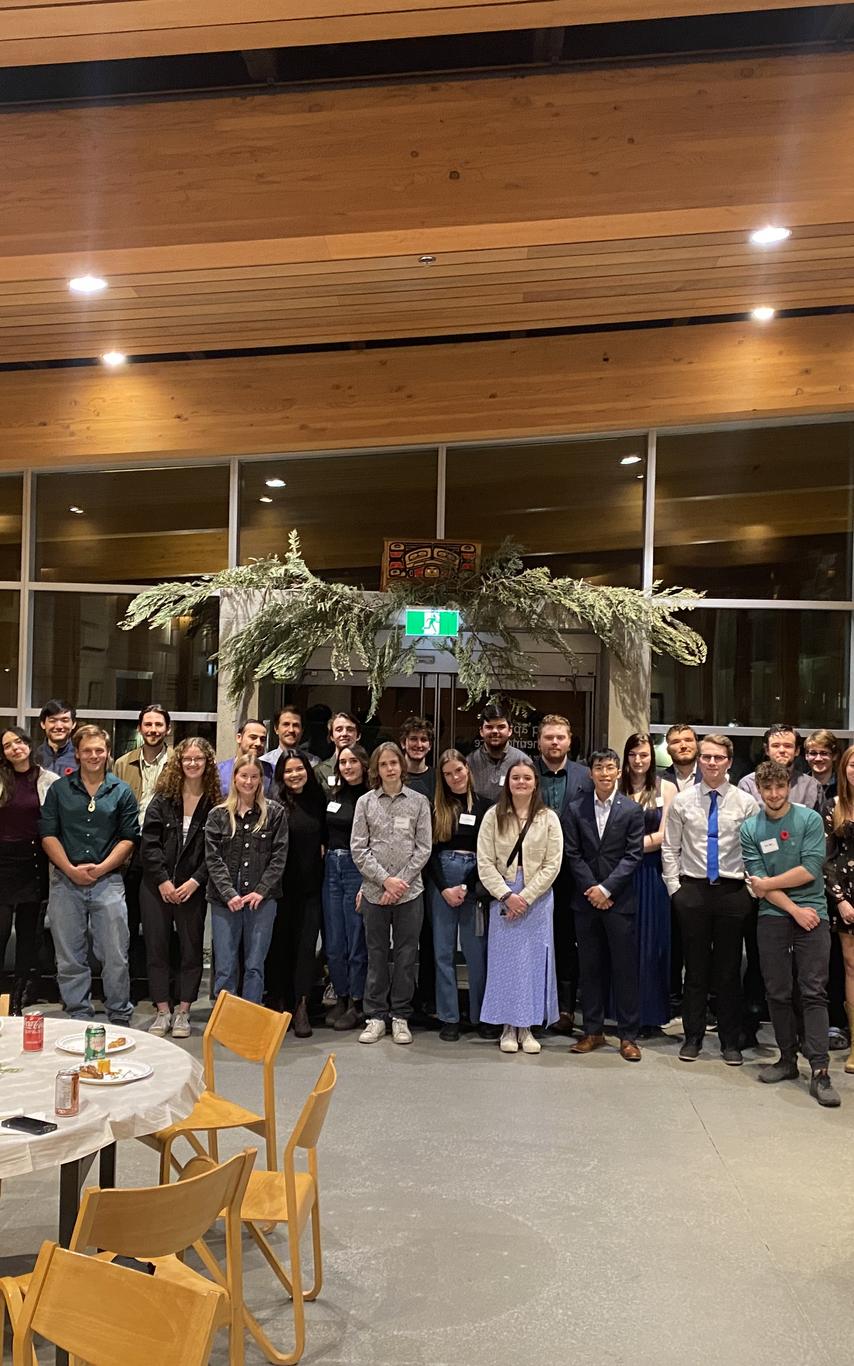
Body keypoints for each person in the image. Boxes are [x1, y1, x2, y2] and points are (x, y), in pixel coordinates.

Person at [741, 760, 839, 1106]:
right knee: (777, 992)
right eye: (767, 788)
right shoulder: (750, 828)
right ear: (759, 790)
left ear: (788, 787)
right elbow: (760, 887)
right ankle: (786, 1059)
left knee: (813, 992)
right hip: (776, 916)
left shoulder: (809, 819)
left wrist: (768, 884)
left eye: (780, 787)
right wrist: (793, 909)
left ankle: (820, 1070)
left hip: (815, 914)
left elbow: (810, 870)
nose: (774, 794)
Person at [662, 733, 759, 1065]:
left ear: (729, 762)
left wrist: (748, 890)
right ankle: (693, 1037)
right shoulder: (683, 801)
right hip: (694, 892)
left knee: (730, 971)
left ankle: (731, 1041)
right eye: (707, 757)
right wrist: (676, 889)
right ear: (699, 760)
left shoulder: (746, 803)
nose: (712, 763)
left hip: (733, 893)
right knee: (696, 969)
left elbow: (754, 850)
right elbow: (670, 847)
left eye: (719, 758)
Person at [40, 725, 138, 1024]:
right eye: (87, 750)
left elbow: (129, 837)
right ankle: (78, 1014)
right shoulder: (60, 789)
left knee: (115, 955)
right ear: (78, 753)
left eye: (99, 750)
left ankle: (120, 1014)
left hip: (108, 882)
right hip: (65, 882)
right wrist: (70, 869)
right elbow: (47, 834)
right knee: (69, 957)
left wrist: (102, 868)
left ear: (107, 753)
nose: (93, 755)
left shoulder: (121, 791)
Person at [477, 757, 563, 1054]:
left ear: (535, 782)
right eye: (516, 778)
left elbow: (553, 864)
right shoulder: (493, 816)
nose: (522, 783)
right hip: (503, 894)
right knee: (505, 964)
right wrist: (506, 895)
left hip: (536, 898)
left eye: (527, 778)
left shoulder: (548, 818)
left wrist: (525, 897)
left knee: (532, 962)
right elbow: (485, 862)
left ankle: (526, 1026)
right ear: (507, 782)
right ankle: (507, 1027)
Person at [564, 749, 645, 1061]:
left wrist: (608, 888)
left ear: (619, 772)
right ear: (591, 773)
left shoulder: (632, 810)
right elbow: (573, 854)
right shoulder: (575, 808)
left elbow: (633, 855)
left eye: (611, 768)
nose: (605, 773)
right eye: (599, 768)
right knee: (590, 968)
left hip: (620, 901)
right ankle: (592, 1031)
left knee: (624, 969)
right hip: (586, 902)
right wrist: (592, 889)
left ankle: (628, 1036)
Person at [351, 741, 432, 1044]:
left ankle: (400, 1015)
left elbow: (423, 849)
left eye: (394, 763)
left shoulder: (419, 801)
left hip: (410, 892)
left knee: (406, 954)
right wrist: (385, 881)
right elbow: (358, 849)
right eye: (383, 764)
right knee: (375, 954)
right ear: (376, 769)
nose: (389, 769)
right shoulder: (365, 802)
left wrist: (400, 884)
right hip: (374, 892)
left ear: (402, 766)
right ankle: (375, 1016)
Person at [140, 737, 221, 1038]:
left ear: (207, 763)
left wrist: (194, 881)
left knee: (191, 949)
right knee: (157, 948)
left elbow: (216, 851)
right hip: (155, 887)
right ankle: (162, 1010)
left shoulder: (216, 805)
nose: (192, 763)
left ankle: (184, 1011)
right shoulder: (162, 800)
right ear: (179, 762)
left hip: (193, 888)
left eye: (198, 759)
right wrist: (162, 880)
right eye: (187, 758)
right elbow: (149, 845)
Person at [205, 756, 288, 1005]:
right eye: (244, 776)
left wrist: (261, 891)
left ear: (261, 780)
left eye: (254, 777)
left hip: (261, 900)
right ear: (234, 778)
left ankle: (249, 1022)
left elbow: (279, 856)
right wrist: (229, 893)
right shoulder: (218, 814)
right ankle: (224, 1021)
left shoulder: (274, 813)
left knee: (254, 965)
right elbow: (213, 858)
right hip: (224, 899)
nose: (249, 781)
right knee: (225, 965)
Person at [533, 713, 593, 1034]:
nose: (554, 742)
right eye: (548, 737)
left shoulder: (586, 776)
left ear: (570, 740)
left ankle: (566, 1008)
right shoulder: (526, 773)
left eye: (560, 737)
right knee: (537, 939)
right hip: (534, 873)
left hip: (574, 873)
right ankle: (534, 1003)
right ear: (539, 741)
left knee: (569, 939)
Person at [429, 749, 490, 1041]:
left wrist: (466, 885)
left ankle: (479, 1015)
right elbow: (429, 853)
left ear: (468, 769)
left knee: (475, 952)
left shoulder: (486, 807)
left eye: (459, 770)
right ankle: (449, 1016)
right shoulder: (437, 808)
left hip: (473, 881)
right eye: (448, 774)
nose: (455, 778)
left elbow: (490, 853)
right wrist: (444, 888)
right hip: (442, 881)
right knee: (442, 953)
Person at [619, 732, 677, 1035]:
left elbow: (666, 834)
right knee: (623, 946)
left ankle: (650, 1015)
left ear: (652, 758)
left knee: (652, 945)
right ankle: (621, 1014)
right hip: (619, 876)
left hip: (651, 875)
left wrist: (629, 845)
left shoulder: (666, 788)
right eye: (633, 755)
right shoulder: (616, 787)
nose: (638, 760)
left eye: (644, 755)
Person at [268, 750, 327, 1037]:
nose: (294, 775)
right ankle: (279, 1004)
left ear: (307, 770)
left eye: (299, 769)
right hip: (279, 890)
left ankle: (301, 1004)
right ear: (281, 775)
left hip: (311, 888)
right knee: (280, 947)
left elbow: (326, 840)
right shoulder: (274, 803)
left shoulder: (318, 800)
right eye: (288, 771)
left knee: (305, 948)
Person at [0, 727, 59, 1013]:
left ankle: (17, 1002)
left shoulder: (48, 779)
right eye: (8, 745)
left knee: (27, 938)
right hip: (2, 864)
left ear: (28, 744)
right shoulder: (1, 779)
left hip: (34, 865)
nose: (15, 748)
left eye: (19, 741)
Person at [322, 743, 370, 1032]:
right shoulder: (334, 796)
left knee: (356, 941)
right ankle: (340, 996)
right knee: (334, 942)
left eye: (353, 761)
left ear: (364, 764)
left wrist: (367, 881)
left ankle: (357, 1001)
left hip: (357, 869)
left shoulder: (370, 798)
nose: (348, 766)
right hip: (331, 868)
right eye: (342, 762)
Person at [824, 743, 854, 1076]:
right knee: (850, 967)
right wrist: (841, 899)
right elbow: (827, 858)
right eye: (852, 764)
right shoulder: (834, 806)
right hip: (846, 897)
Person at [737, 724, 823, 810]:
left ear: (797, 751)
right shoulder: (748, 785)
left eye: (787, 746)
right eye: (776, 746)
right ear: (767, 750)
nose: (782, 750)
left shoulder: (812, 786)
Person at [113, 705, 173, 823]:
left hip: (165, 837)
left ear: (168, 729)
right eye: (148, 724)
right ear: (139, 728)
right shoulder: (122, 764)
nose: (153, 730)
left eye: (159, 724)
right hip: (130, 835)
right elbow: (114, 805)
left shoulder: (177, 764)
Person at [467, 702, 526, 804]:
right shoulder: (470, 762)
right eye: (489, 727)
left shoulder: (523, 761)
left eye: (501, 727)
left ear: (510, 730)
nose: (495, 731)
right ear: (481, 731)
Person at [217, 718, 274, 795]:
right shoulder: (219, 771)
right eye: (253, 737)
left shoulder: (272, 771)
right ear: (239, 738)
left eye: (262, 739)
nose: (258, 743)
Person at [261, 703, 319, 771]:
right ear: (276, 729)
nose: (291, 730)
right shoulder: (263, 764)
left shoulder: (314, 764)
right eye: (286, 724)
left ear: (302, 730)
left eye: (296, 725)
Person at [315, 712, 362, 788]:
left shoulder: (370, 769)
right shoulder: (320, 771)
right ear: (331, 737)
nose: (344, 734)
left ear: (358, 736)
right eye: (339, 730)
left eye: (350, 730)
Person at [35, 699, 78, 776]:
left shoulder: (81, 757)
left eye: (64, 720)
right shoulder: (34, 757)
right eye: (52, 720)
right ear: (43, 724)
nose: (59, 726)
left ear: (73, 724)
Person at [400, 715, 436, 801]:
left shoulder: (438, 779)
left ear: (430, 745)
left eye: (423, 740)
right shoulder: (393, 776)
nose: (419, 745)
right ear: (403, 743)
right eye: (413, 739)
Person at [804, 729, 839, 803]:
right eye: (813, 753)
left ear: (834, 756)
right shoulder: (799, 785)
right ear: (806, 756)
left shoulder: (845, 786)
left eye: (824, 753)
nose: (818, 759)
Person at [661, 724, 700, 790]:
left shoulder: (712, 775)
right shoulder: (658, 780)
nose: (683, 746)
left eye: (688, 740)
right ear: (668, 750)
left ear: (697, 745)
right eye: (676, 742)